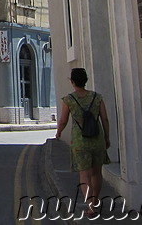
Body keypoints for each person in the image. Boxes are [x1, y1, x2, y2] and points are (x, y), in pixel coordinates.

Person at [55, 67, 111, 218]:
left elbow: (63, 120)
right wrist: (107, 137)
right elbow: (104, 119)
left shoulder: (69, 99)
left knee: (84, 175)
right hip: (97, 139)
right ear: (85, 80)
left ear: (73, 82)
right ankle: (96, 201)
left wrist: (59, 131)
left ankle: (90, 207)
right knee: (96, 173)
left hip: (80, 142)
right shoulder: (97, 97)